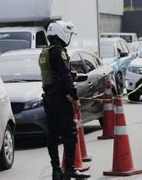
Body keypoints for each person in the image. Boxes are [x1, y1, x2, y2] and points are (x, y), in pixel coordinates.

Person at [38, 21, 90, 180]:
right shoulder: (59, 52)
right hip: (61, 99)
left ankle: (56, 170)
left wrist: (68, 74)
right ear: (62, 34)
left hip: (48, 98)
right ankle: (70, 169)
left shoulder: (45, 52)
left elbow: (55, 75)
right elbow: (65, 77)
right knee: (70, 134)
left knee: (52, 136)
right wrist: (74, 96)